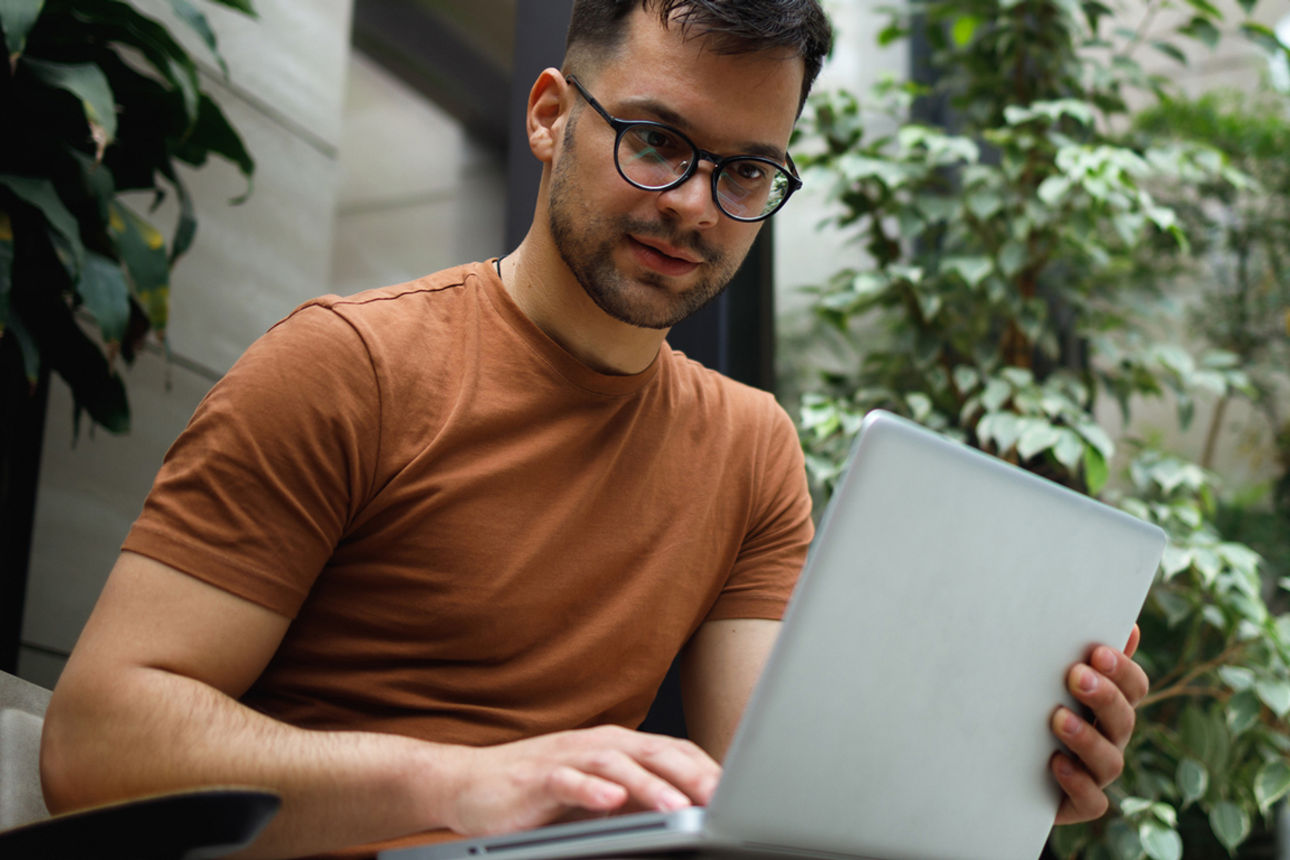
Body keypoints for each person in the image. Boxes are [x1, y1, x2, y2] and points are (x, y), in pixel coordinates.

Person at [38, 2, 1149, 858]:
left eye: (747, 170)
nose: (696, 205)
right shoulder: (349, 365)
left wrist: (1001, 773)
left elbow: (771, 795)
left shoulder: (750, 448)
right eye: (658, 141)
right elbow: (94, 740)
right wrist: (465, 782)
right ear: (549, 116)